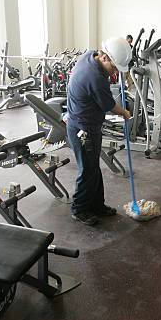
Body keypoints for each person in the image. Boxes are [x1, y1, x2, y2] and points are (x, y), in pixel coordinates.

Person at [66, 37, 132, 226]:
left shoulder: (89, 55)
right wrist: (125, 112)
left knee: (93, 168)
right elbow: (110, 106)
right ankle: (79, 209)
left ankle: (96, 205)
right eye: (115, 67)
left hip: (86, 124)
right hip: (83, 129)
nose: (115, 72)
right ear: (104, 58)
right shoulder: (94, 78)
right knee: (88, 170)